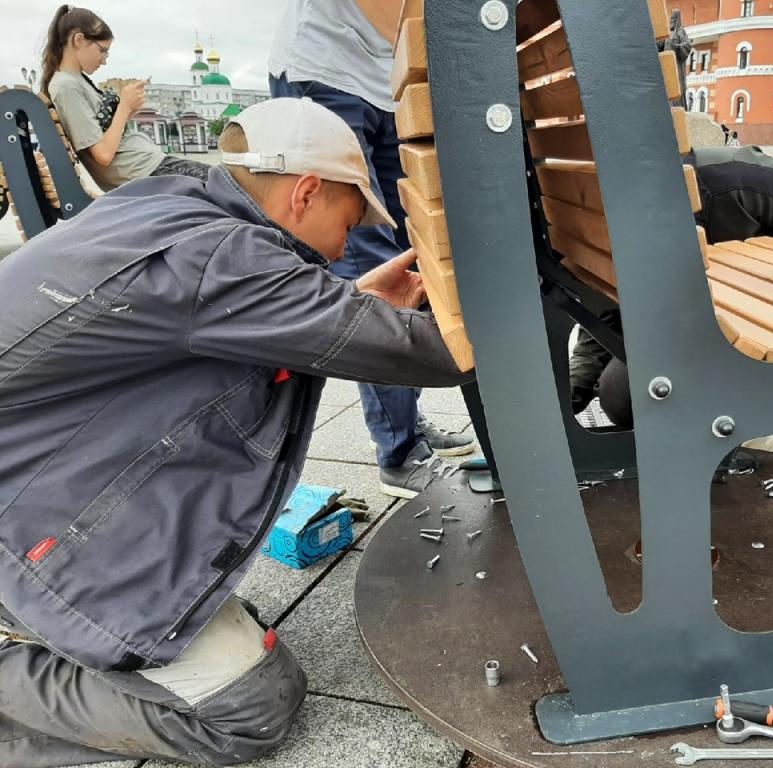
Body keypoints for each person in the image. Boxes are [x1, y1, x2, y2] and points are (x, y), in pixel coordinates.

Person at [0, 97, 471, 767]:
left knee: (215, 635)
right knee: (250, 708)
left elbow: (221, 320)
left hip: (34, 475)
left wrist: (352, 307)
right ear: (306, 192)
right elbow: (439, 354)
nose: (347, 244)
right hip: (21, 532)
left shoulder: (166, 210)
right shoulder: (222, 255)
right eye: (349, 221)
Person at [268, 0, 477, 500]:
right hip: (326, 72)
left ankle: (406, 419)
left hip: (385, 83)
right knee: (371, 257)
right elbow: (401, 14)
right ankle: (399, 451)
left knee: (412, 248)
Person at [570, 144, 773, 467]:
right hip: (708, 328)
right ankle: (709, 451)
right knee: (621, 391)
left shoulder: (731, 176)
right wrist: (566, 402)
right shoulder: (615, 222)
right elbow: (602, 327)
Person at [41, 5, 211, 191]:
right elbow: (103, 155)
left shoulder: (76, 81)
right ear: (78, 40)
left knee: (228, 179)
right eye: (102, 50)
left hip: (148, 167)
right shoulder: (66, 86)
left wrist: (130, 109)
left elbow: (107, 135)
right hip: (144, 172)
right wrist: (124, 107)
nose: (104, 60)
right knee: (229, 183)